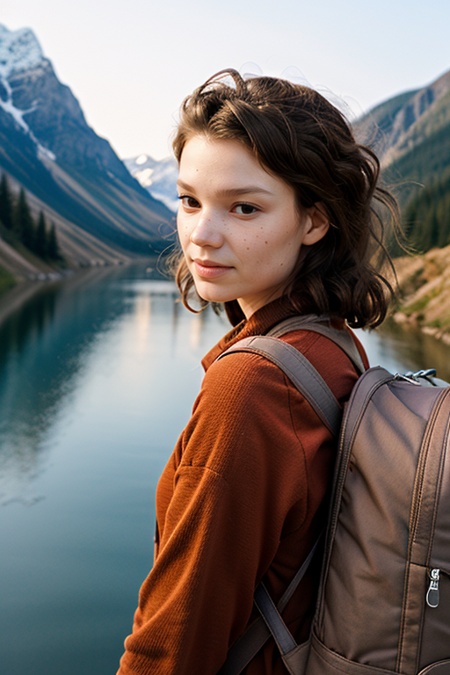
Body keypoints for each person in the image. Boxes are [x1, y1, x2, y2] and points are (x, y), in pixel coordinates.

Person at [117, 69, 400, 675]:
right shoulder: (331, 345)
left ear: (314, 221)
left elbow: (175, 642)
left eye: (244, 208)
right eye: (189, 200)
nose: (202, 235)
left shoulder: (251, 386)